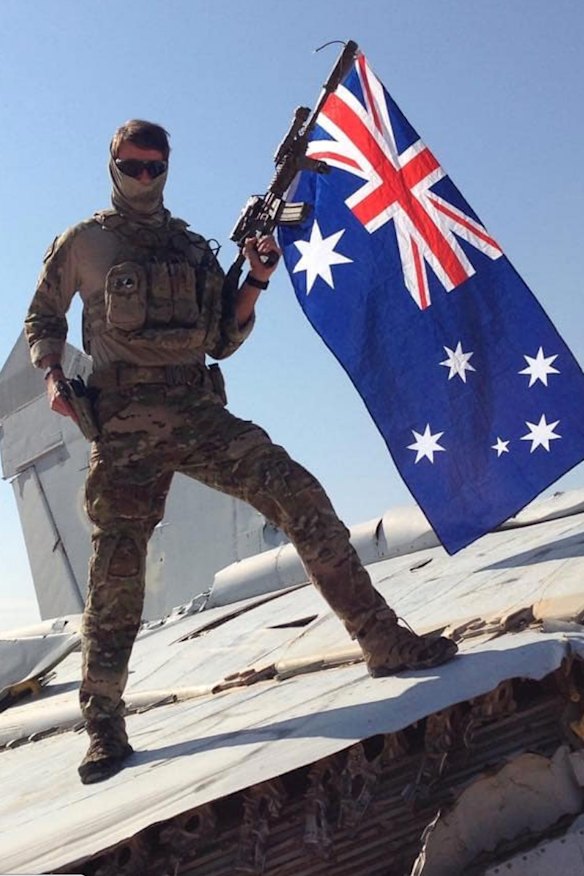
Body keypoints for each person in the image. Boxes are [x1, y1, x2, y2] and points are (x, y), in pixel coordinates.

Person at [24, 120, 457, 785]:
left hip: (198, 411)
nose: (144, 177)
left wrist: (256, 277)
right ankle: (103, 724)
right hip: (125, 425)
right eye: (133, 166)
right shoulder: (84, 243)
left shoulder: (193, 249)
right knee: (117, 571)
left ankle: (382, 641)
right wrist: (54, 377)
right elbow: (42, 316)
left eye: (155, 166)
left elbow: (222, 338)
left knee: (296, 490)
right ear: (113, 165)